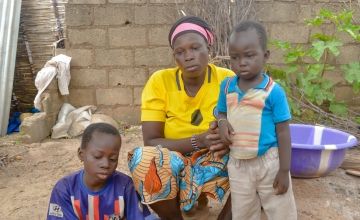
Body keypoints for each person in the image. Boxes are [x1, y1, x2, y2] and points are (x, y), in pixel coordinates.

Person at [127, 16, 234, 220]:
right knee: (145, 159)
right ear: (174, 56)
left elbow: (245, 127)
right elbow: (151, 141)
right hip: (175, 159)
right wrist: (199, 140)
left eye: (195, 48)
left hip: (217, 158)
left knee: (259, 155)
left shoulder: (227, 80)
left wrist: (227, 139)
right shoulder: (160, 82)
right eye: (180, 51)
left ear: (208, 47)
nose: (188, 56)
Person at [217, 20, 297, 219]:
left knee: (280, 210)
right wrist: (222, 123)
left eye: (249, 55)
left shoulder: (273, 92)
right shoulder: (226, 87)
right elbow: (221, 112)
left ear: (265, 56)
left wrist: (284, 170)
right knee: (243, 212)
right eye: (235, 57)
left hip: (269, 163)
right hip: (238, 164)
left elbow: (284, 131)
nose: (241, 62)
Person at [47, 123, 153, 220]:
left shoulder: (126, 187)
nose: (106, 164)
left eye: (113, 159)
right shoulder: (65, 189)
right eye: (98, 156)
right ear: (81, 154)